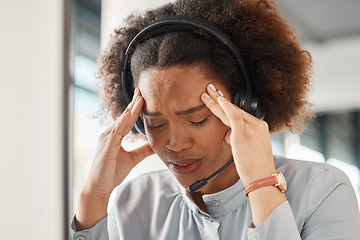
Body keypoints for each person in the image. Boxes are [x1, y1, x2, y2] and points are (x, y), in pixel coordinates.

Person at [70, 0, 360, 239]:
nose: (175, 144)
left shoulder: (322, 191)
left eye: (197, 119)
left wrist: (261, 185)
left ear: (246, 107)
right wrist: (93, 198)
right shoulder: (134, 201)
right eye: (155, 124)